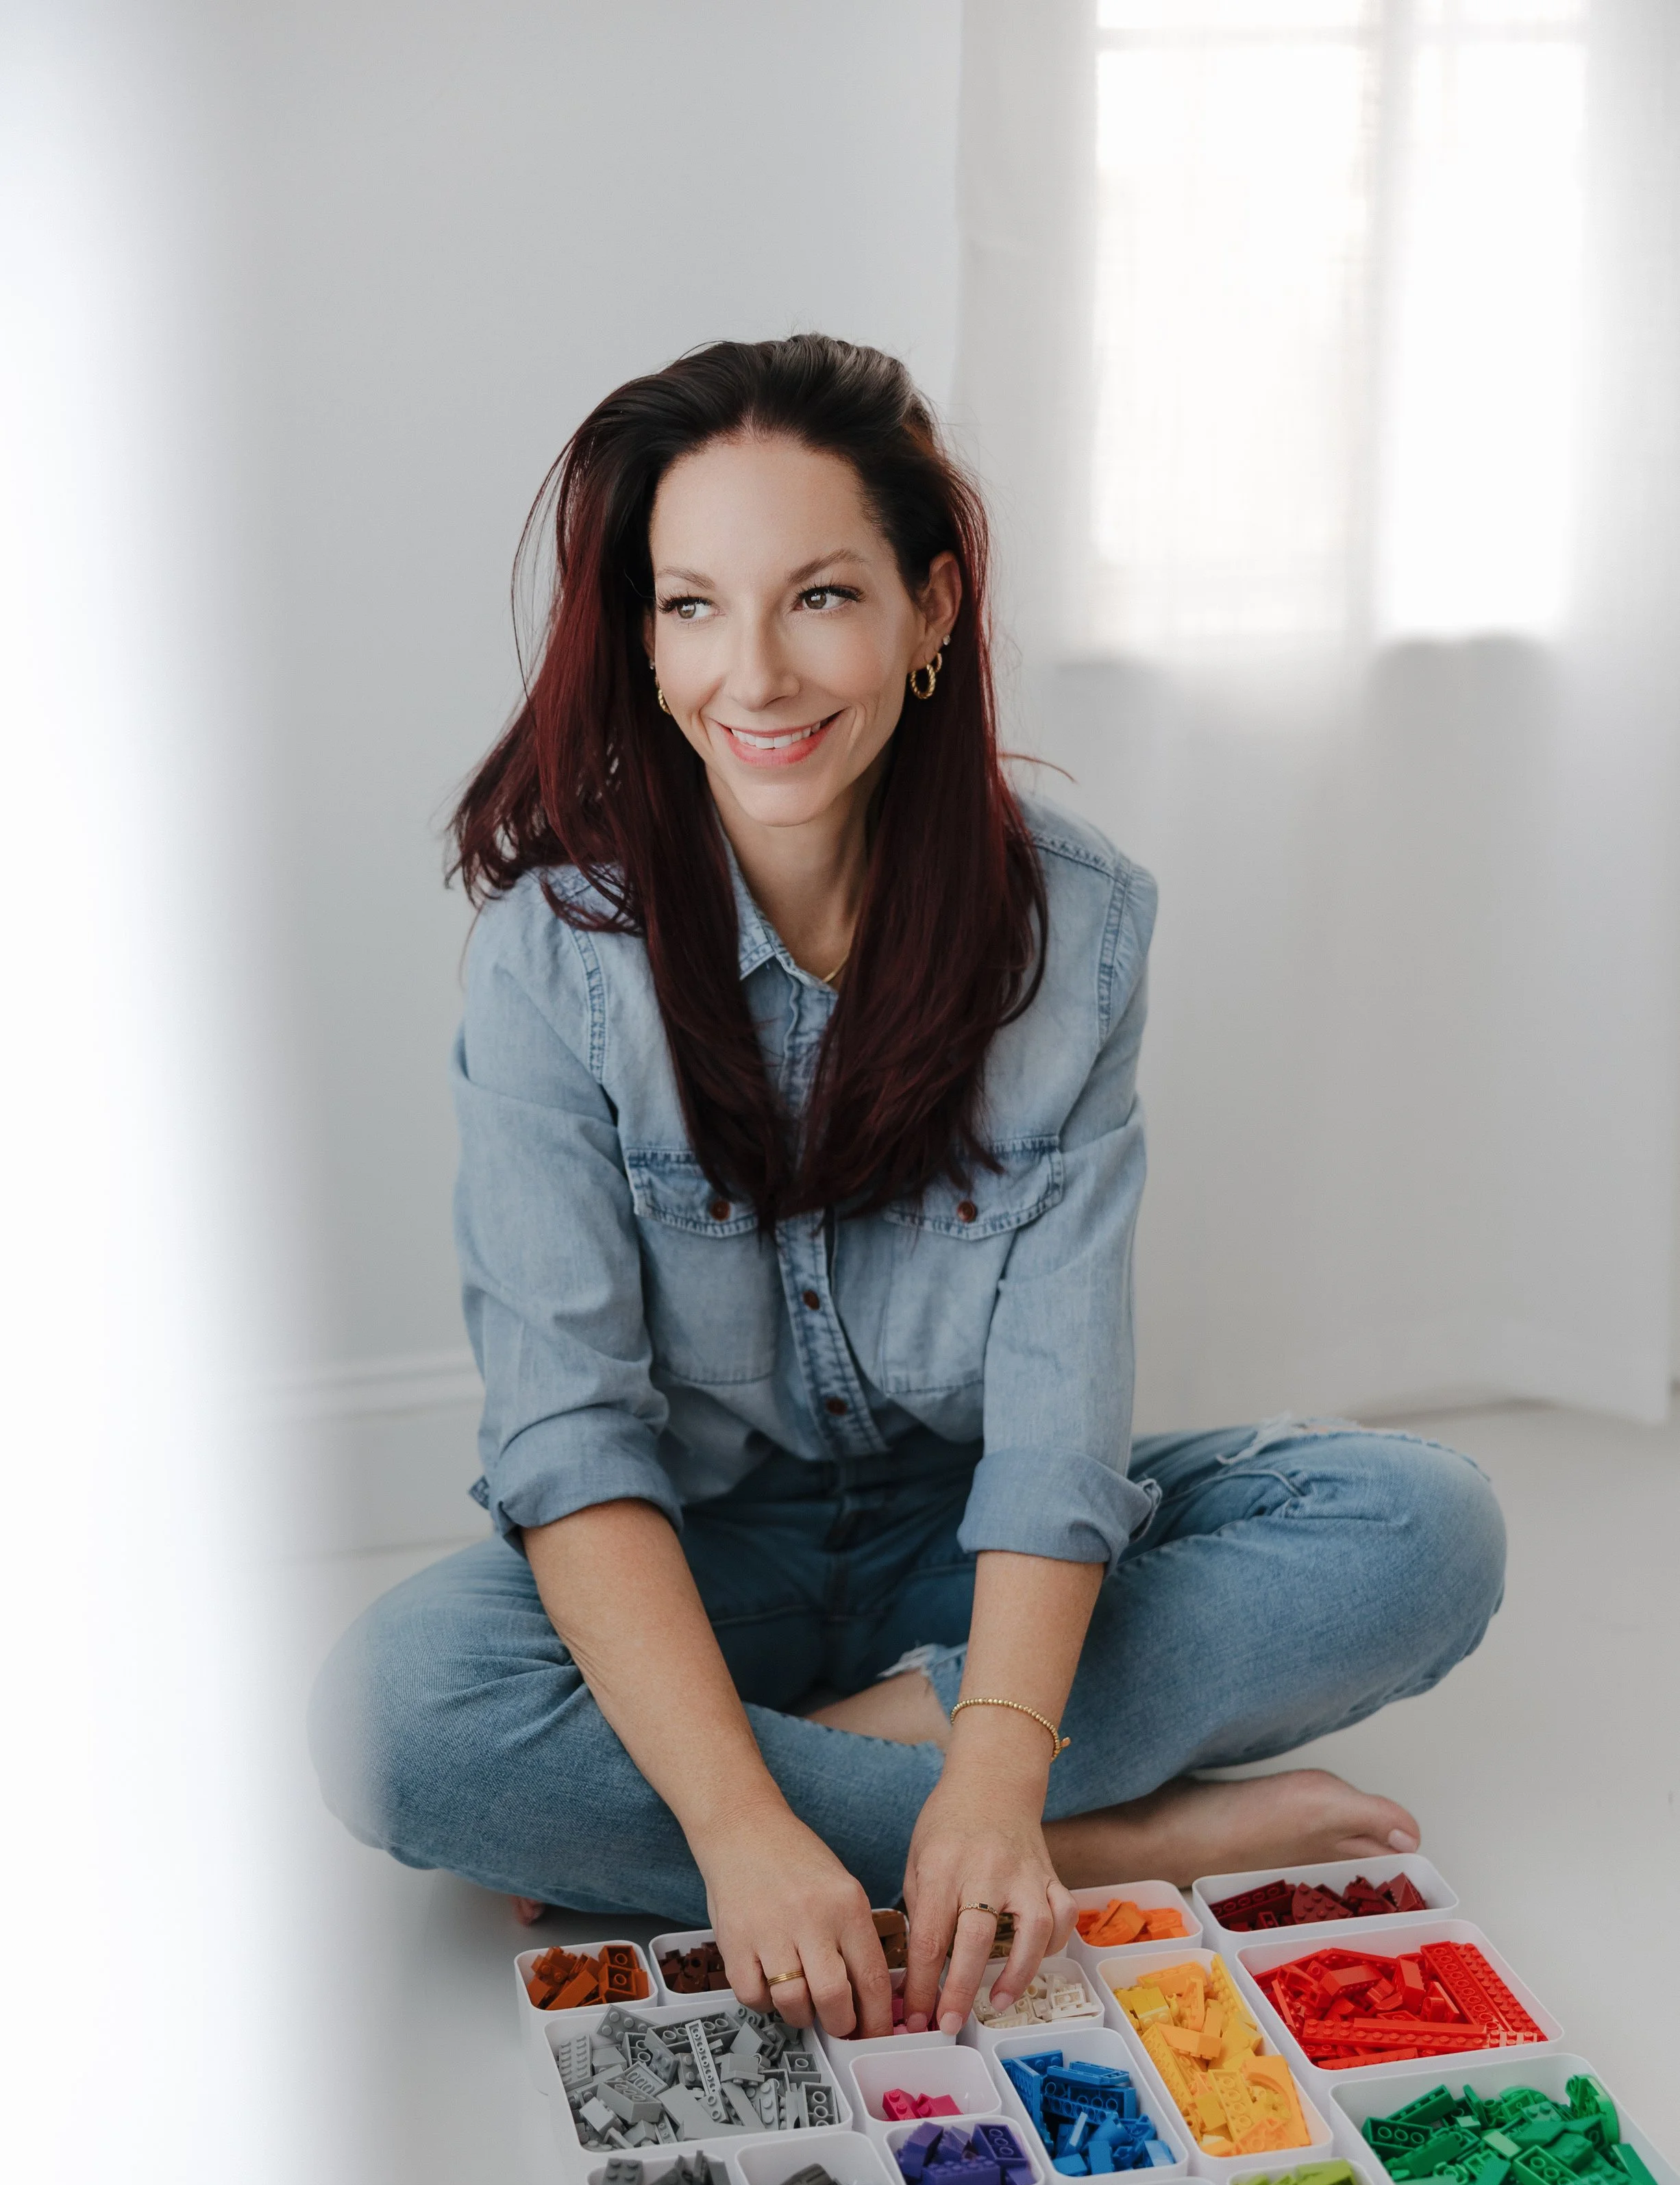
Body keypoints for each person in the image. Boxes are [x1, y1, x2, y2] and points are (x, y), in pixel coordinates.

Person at [310, 335, 1505, 2043]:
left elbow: (1054, 1418)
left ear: (929, 609)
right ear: (641, 640)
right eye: (692, 606)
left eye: (819, 596)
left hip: (969, 1549)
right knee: (397, 1718)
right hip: (692, 1557)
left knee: (1423, 1530)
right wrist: (734, 1832)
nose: (758, 675)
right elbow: (568, 1445)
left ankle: (884, 1785)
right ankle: (1101, 1842)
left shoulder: (1075, 930)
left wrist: (982, 1759)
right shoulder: (551, 959)